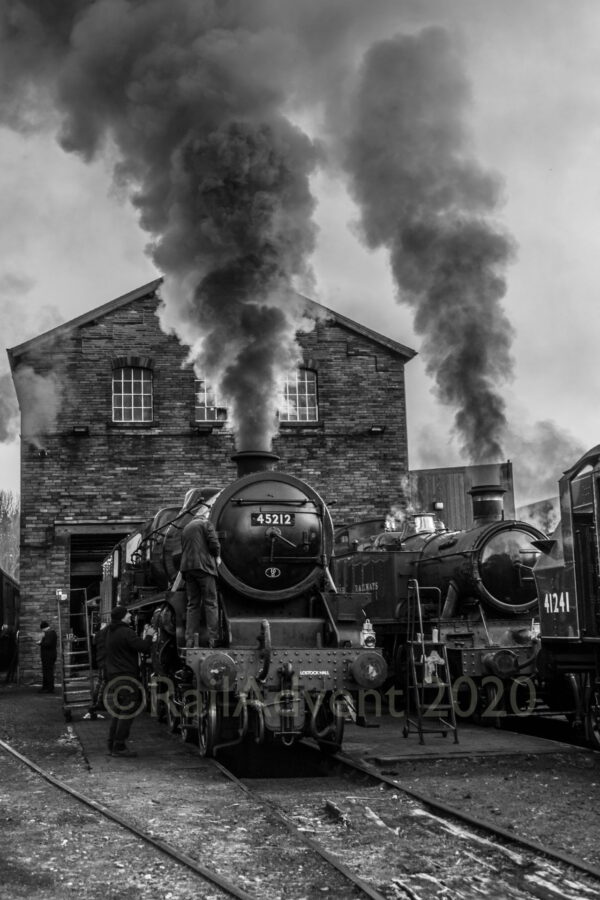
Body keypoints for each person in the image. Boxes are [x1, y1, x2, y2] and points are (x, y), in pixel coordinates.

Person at [104, 606, 155, 758]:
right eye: (128, 614)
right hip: (126, 676)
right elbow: (143, 647)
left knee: (119, 710)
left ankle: (112, 743)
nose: (130, 617)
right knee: (128, 710)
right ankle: (119, 746)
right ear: (121, 617)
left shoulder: (109, 631)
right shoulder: (126, 632)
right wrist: (149, 635)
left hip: (114, 675)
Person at [180, 511, 221, 648]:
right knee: (211, 603)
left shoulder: (186, 528)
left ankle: (190, 640)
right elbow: (214, 543)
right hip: (204, 567)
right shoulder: (206, 524)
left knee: (193, 604)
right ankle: (213, 639)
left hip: (187, 569)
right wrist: (217, 556)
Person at [90, 621, 109, 713]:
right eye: (104, 624)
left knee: (100, 681)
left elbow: (94, 642)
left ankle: (95, 700)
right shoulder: (102, 634)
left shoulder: (98, 635)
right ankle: (99, 702)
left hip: (100, 660)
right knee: (103, 682)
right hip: (104, 660)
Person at [37, 621, 58, 693]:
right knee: (47, 671)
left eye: (42, 630)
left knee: (48, 672)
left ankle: (49, 688)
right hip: (48, 655)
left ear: (44, 628)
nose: (42, 631)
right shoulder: (51, 633)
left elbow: (47, 644)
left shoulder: (50, 633)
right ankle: (46, 687)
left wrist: (40, 643)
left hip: (48, 656)